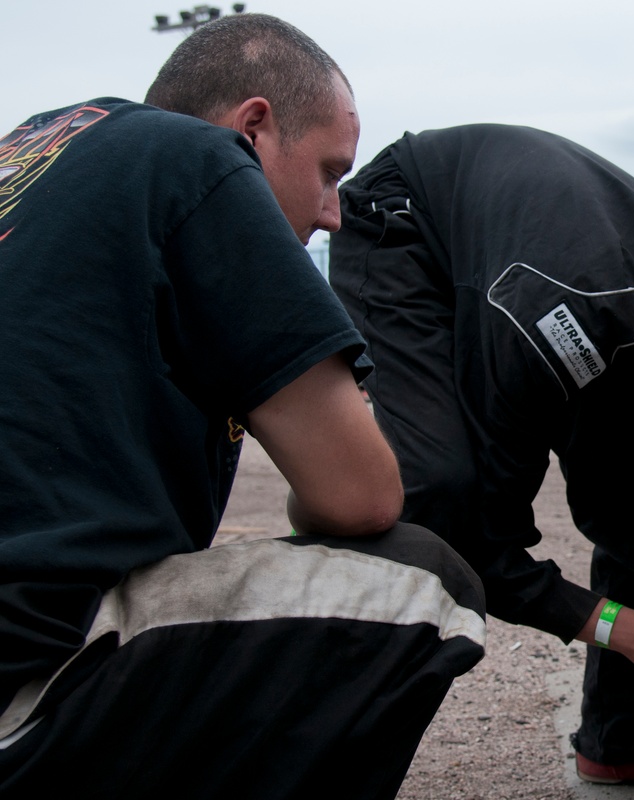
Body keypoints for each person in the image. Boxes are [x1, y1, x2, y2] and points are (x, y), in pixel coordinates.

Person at [0, 15, 485, 798]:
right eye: (328, 171)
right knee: (419, 578)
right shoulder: (199, 157)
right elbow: (359, 495)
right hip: (20, 693)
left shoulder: (38, 148)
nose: (333, 213)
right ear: (252, 129)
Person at [328, 124, 634, 799]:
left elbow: (632, 516)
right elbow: (484, 548)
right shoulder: (547, 331)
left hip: (540, 267)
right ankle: (315, 717)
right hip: (411, 225)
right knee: (441, 489)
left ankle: (621, 745)